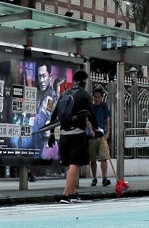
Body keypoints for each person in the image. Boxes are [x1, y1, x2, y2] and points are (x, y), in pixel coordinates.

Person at [51, 70, 96, 203]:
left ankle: (73, 193)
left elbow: (54, 114)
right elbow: (90, 113)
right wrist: (97, 128)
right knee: (75, 163)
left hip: (64, 135)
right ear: (83, 81)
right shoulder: (84, 95)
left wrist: (52, 134)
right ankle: (65, 195)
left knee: (70, 164)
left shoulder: (65, 93)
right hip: (77, 134)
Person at [88, 87, 114, 187]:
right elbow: (88, 119)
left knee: (104, 157)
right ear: (92, 97)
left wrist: (108, 132)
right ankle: (94, 178)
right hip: (92, 136)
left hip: (102, 136)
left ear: (102, 97)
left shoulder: (104, 106)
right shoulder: (90, 107)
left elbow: (107, 119)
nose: (97, 99)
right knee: (93, 159)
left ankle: (104, 178)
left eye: (99, 97)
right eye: (95, 97)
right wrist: (90, 130)